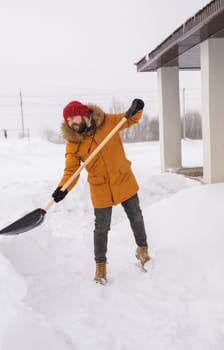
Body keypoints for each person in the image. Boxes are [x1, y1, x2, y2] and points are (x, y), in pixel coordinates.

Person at [52, 99, 150, 284]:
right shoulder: (73, 143)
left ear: (83, 114)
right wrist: (62, 188)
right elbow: (71, 171)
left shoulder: (107, 122)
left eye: (74, 117)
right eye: (68, 121)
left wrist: (138, 107)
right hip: (100, 187)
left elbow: (130, 119)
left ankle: (143, 251)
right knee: (101, 229)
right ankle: (100, 267)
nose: (71, 123)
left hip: (123, 179)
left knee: (136, 217)